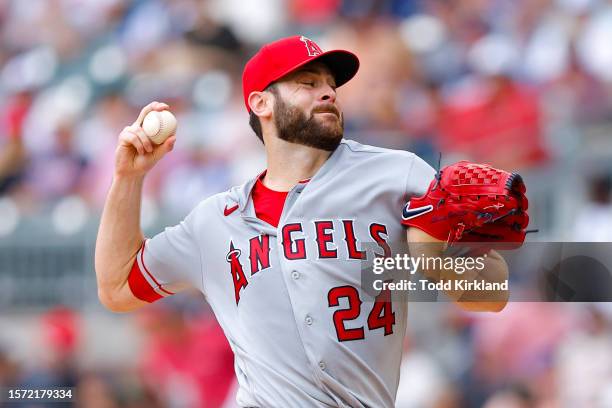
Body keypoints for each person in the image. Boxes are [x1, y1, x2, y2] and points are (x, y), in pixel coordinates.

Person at [95, 35, 517, 407]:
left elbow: (491, 293)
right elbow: (117, 288)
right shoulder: (214, 221)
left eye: (331, 85)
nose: (328, 93)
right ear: (260, 102)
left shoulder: (397, 174)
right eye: (308, 83)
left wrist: (434, 252)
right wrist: (128, 179)